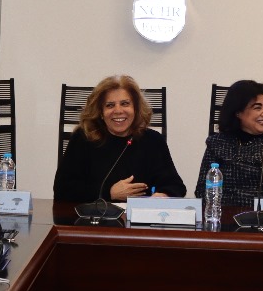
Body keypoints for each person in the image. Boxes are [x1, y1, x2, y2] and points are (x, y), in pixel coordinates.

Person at [53, 76, 185, 202]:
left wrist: (163, 195)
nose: (118, 111)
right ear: (101, 112)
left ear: (135, 109)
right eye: (110, 105)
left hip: (137, 216)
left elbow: (175, 186)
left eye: (125, 103)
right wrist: (109, 192)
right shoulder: (84, 138)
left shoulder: (153, 140)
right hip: (95, 216)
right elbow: (62, 189)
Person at [194, 80, 263, 207]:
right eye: (257, 107)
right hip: (227, 215)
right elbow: (202, 191)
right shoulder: (217, 143)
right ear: (238, 112)